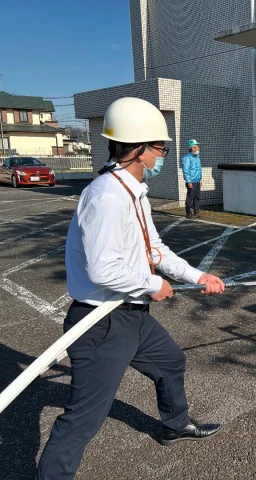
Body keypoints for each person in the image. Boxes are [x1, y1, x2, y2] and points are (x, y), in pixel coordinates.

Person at [37, 97, 225, 480]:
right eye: (159, 147)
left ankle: (175, 425)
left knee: (171, 361)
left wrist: (196, 276)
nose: (163, 154)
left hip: (132, 316)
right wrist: (152, 283)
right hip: (100, 322)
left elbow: (154, 248)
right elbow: (104, 268)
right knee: (83, 420)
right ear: (137, 149)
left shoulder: (132, 191)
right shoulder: (106, 196)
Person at [182, 139, 202, 218]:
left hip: (197, 180)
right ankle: (188, 213)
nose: (198, 148)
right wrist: (189, 181)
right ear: (193, 148)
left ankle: (196, 211)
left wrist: (200, 179)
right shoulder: (186, 158)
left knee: (197, 196)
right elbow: (186, 171)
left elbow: (199, 169)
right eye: (197, 146)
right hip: (191, 181)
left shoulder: (197, 157)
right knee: (190, 197)